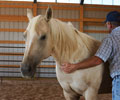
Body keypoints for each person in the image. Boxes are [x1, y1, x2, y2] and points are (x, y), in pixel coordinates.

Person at [61, 11, 120, 100]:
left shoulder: (110, 39)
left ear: (109, 24)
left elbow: (97, 60)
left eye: (106, 24)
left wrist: (75, 66)